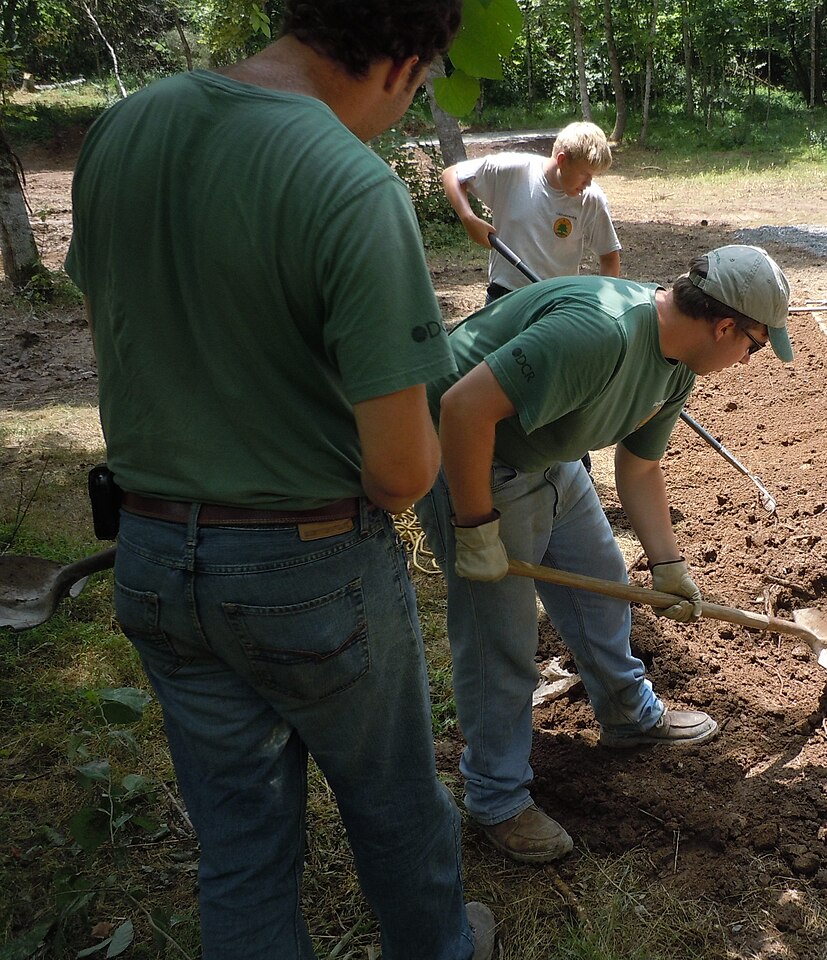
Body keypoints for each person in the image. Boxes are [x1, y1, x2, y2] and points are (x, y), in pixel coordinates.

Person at [65, 2, 496, 958]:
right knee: (394, 806)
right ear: (402, 64)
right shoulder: (349, 185)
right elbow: (398, 472)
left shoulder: (124, 128)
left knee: (241, 847)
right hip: (306, 568)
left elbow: (118, 337)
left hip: (148, 550)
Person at [415, 245, 792, 865]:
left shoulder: (677, 364)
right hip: (471, 452)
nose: (749, 360)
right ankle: (497, 798)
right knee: (500, 640)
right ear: (725, 327)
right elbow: (460, 406)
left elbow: (640, 468)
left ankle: (626, 714)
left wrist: (668, 564)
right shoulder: (600, 333)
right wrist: (476, 527)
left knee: (600, 581)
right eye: (754, 346)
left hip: (547, 447)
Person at [443, 121, 622, 303]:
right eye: (585, 174)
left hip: (556, 304)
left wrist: (602, 305)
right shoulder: (512, 171)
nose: (589, 183)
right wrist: (468, 218)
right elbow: (452, 174)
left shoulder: (591, 199)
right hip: (504, 298)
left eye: (593, 176)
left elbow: (609, 257)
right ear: (562, 160)